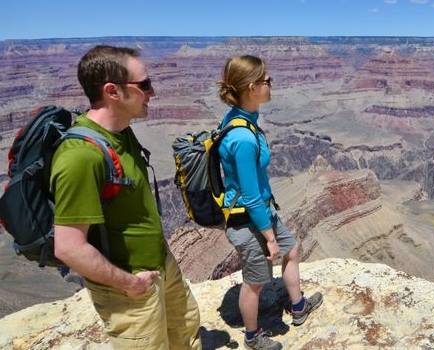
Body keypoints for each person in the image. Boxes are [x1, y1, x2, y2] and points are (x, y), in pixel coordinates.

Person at [51, 45, 201, 349]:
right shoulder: (80, 157)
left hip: (159, 264)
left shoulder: (121, 130)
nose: (153, 92)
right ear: (112, 91)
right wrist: (130, 284)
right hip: (129, 287)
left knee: (186, 331)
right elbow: (68, 248)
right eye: (144, 84)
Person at [217, 55, 323, 350]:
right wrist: (269, 238)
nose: (271, 85)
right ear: (252, 87)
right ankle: (252, 336)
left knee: (292, 248)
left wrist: (277, 236)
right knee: (255, 280)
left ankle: (298, 306)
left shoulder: (244, 118)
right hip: (248, 218)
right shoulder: (243, 138)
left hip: (263, 211)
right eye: (266, 81)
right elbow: (249, 195)